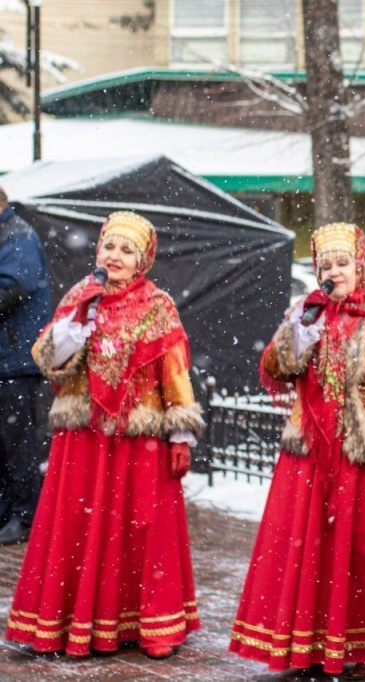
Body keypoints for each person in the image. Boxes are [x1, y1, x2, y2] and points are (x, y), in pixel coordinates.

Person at [5, 211, 203, 659]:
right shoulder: (81, 294)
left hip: (139, 435)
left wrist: (180, 434)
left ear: (143, 259)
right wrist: (76, 320)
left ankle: (150, 622)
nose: (115, 256)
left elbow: (174, 373)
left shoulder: (158, 306)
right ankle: (79, 620)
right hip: (86, 435)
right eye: (109, 247)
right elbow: (49, 360)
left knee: (141, 527)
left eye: (126, 250)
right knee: (80, 525)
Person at [229, 222, 365, 680]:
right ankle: (306, 644)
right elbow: (277, 368)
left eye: (343, 263)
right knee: (308, 546)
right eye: (325, 265)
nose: (334, 272)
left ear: (361, 265)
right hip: (311, 450)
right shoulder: (306, 314)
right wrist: (299, 329)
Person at [0, 186, 51, 545]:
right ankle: (7, 511)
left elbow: (13, 288)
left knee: (17, 442)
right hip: (7, 358)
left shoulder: (17, 235)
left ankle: (25, 515)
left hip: (15, 359)